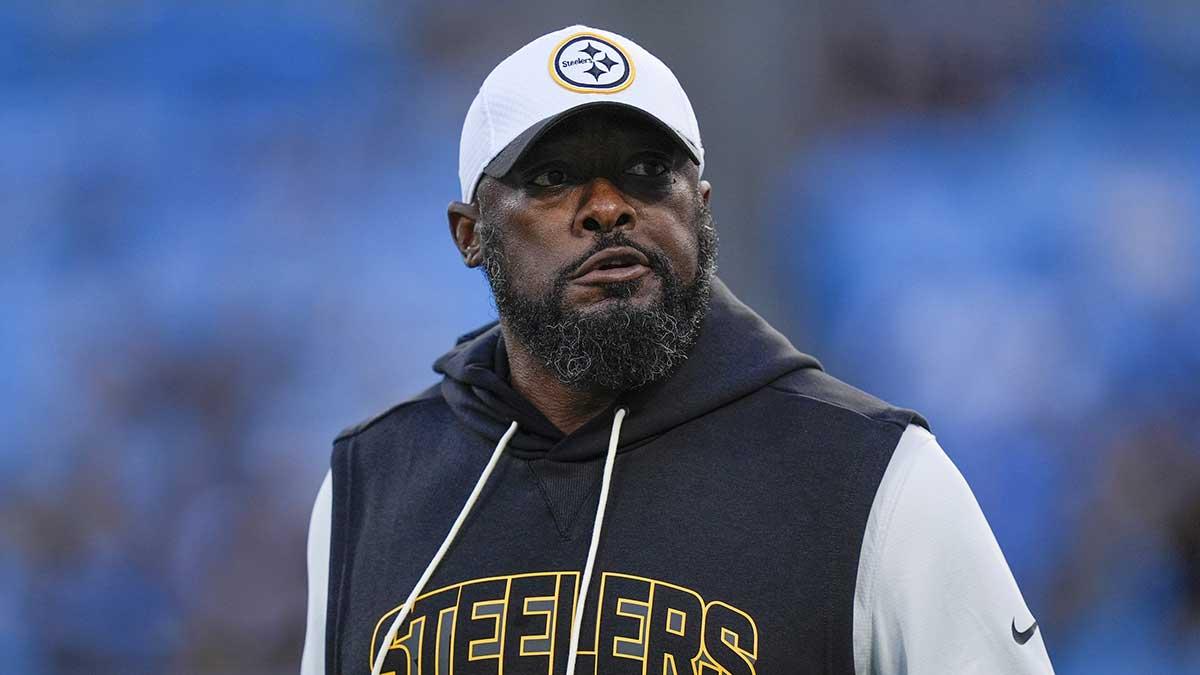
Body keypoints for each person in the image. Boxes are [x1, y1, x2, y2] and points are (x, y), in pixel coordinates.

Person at [300, 25, 1055, 675]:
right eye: (554, 178)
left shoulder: (873, 475)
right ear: (470, 233)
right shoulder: (371, 480)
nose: (607, 207)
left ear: (700, 208)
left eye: (647, 171)